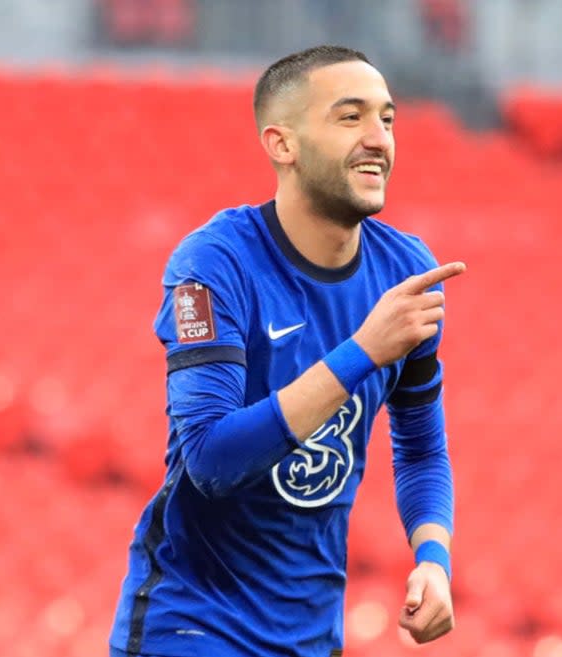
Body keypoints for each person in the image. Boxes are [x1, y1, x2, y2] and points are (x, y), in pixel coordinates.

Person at [109, 44, 465, 657]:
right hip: (194, 625)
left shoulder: (406, 272)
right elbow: (211, 460)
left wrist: (433, 557)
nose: (378, 138)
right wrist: (361, 351)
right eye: (350, 117)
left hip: (311, 634)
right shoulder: (213, 265)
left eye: (387, 118)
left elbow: (422, 449)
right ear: (282, 144)